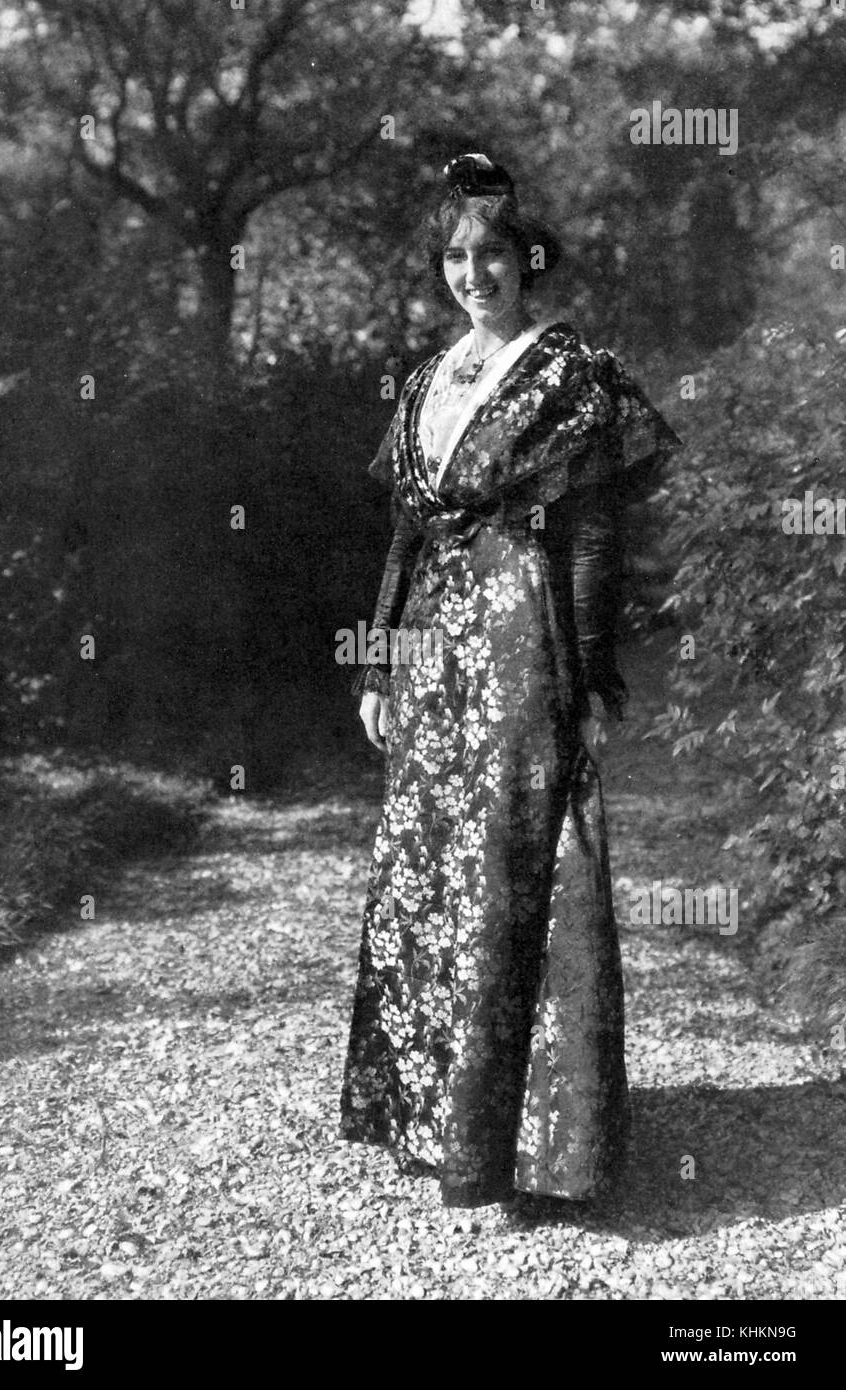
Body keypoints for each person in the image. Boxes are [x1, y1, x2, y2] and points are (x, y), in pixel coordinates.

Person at [340, 152, 682, 1210]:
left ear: (527, 262)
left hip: (524, 639)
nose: (472, 274)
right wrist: (383, 654)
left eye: (491, 254)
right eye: (454, 256)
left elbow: (589, 540)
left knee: (520, 858)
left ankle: (537, 1146)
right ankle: (437, 1117)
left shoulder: (565, 377)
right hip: (437, 654)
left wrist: (587, 684)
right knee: (434, 861)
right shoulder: (428, 381)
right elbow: (408, 528)